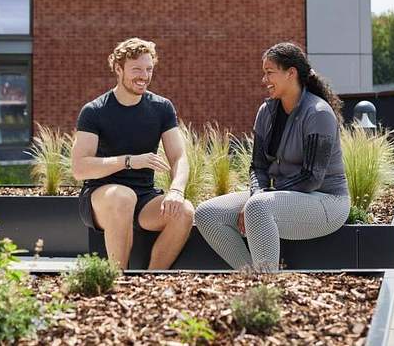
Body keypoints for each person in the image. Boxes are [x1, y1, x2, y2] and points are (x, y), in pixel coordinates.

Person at [195, 42, 350, 271]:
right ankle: (254, 279)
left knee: (258, 207)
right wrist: (257, 194)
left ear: (291, 73)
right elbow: (258, 167)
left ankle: (267, 283)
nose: (264, 80)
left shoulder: (318, 113)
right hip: (276, 198)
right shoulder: (266, 112)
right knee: (207, 214)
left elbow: (312, 177)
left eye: (269, 73)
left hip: (327, 203)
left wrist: (260, 198)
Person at [72, 38, 194, 270]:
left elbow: (179, 157)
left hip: (144, 197)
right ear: (118, 69)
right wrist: (129, 161)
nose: (144, 76)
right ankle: (118, 279)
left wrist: (176, 191)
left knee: (184, 211)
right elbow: (80, 168)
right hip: (101, 197)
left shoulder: (162, 108)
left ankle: (151, 280)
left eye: (149, 69)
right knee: (123, 197)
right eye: (136, 69)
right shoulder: (94, 111)